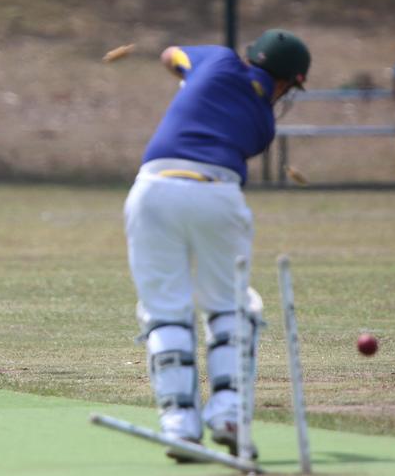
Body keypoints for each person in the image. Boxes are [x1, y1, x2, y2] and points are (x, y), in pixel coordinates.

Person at [123, 29, 310, 460]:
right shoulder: (264, 124)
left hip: (152, 189)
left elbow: (170, 54)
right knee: (231, 307)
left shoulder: (219, 60)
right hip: (217, 193)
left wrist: (191, 77)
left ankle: (179, 426)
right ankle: (228, 414)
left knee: (164, 309)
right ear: (285, 83)